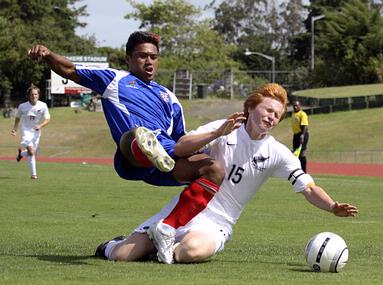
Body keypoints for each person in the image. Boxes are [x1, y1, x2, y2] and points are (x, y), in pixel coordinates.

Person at [96, 83, 358, 264]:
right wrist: (216, 133)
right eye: (268, 110)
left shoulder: (278, 153)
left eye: (277, 115)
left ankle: (158, 248)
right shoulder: (224, 128)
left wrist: (333, 206)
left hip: (217, 224)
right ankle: (114, 244)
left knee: (192, 251)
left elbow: (309, 188)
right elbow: (180, 147)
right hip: (181, 211)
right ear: (251, 108)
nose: (272, 118)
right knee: (121, 256)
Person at [27, 31, 231, 263]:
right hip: (131, 158)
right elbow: (71, 70)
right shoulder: (114, 79)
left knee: (215, 169)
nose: (149, 61)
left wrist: (213, 139)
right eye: (142, 56)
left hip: (167, 162)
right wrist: (48, 54)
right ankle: (145, 146)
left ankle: (164, 230)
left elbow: (181, 141)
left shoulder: (169, 98)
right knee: (135, 136)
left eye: (153, 57)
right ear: (128, 59)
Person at [11, 84, 51, 179]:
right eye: (32, 94)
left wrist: (40, 125)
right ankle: (34, 175)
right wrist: (15, 129)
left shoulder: (43, 105)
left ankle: (21, 154)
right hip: (26, 131)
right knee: (32, 152)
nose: (34, 96)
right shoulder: (22, 106)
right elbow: (17, 118)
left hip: (36, 133)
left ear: (38, 95)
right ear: (28, 95)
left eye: (36, 94)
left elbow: (48, 119)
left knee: (31, 153)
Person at [291, 100, 309, 172]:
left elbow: (305, 126)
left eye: (296, 105)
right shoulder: (293, 114)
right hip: (295, 135)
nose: (295, 107)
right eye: (294, 106)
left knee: (302, 153)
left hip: (302, 135)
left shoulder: (302, 114)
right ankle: (298, 170)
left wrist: (302, 135)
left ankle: (304, 171)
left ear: (300, 106)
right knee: (295, 153)